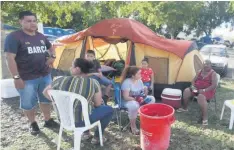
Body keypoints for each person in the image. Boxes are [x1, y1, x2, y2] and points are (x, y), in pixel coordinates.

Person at [4, 11, 58, 135]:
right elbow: (9, 58)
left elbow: (51, 47)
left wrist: (53, 57)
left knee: (46, 99)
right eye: (28, 21)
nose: (32, 23)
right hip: (26, 78)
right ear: (20, 22)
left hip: (45, 75)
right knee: (28, 103)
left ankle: (48, 120)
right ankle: (33, 123)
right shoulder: (14, 37)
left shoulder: (41, 36)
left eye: (34, 20)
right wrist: (16, 78)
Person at [43, 58, 113, 144]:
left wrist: (57, 101)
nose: (70, 68)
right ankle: (97, 137)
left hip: (64, 120)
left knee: (86, 108)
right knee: (109, 110)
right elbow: (98, 104)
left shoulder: (60, 80)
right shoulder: (93, 83)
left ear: (77, 69)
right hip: (81, 122)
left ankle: (86, 133)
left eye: (72, 66)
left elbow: (45, 92)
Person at [177, 60, 217, 126]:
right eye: (204, 64)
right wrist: (193, 87)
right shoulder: (199, 71)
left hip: (207, 91)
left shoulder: (213, 73)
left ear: (210, 65)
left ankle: (204, 118)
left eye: (207, 64)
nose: (206, 65)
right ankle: (185, 108)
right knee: (187, 91)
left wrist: (204, 90)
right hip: (197, 89)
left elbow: (214, 85)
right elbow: (193, 80)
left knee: (201, 97)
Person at [121, 66, 155, 135]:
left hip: (138, 99)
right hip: (128, 101)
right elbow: (126, 97)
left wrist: (145, 91)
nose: (141, 75)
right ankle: (132, 126)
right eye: (139, 74)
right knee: (134, 105)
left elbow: (142, 93)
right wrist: (136, 99)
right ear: (133, 76)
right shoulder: (127, 82)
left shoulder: (139, 81)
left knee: (152, 99)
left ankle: (145, 119)